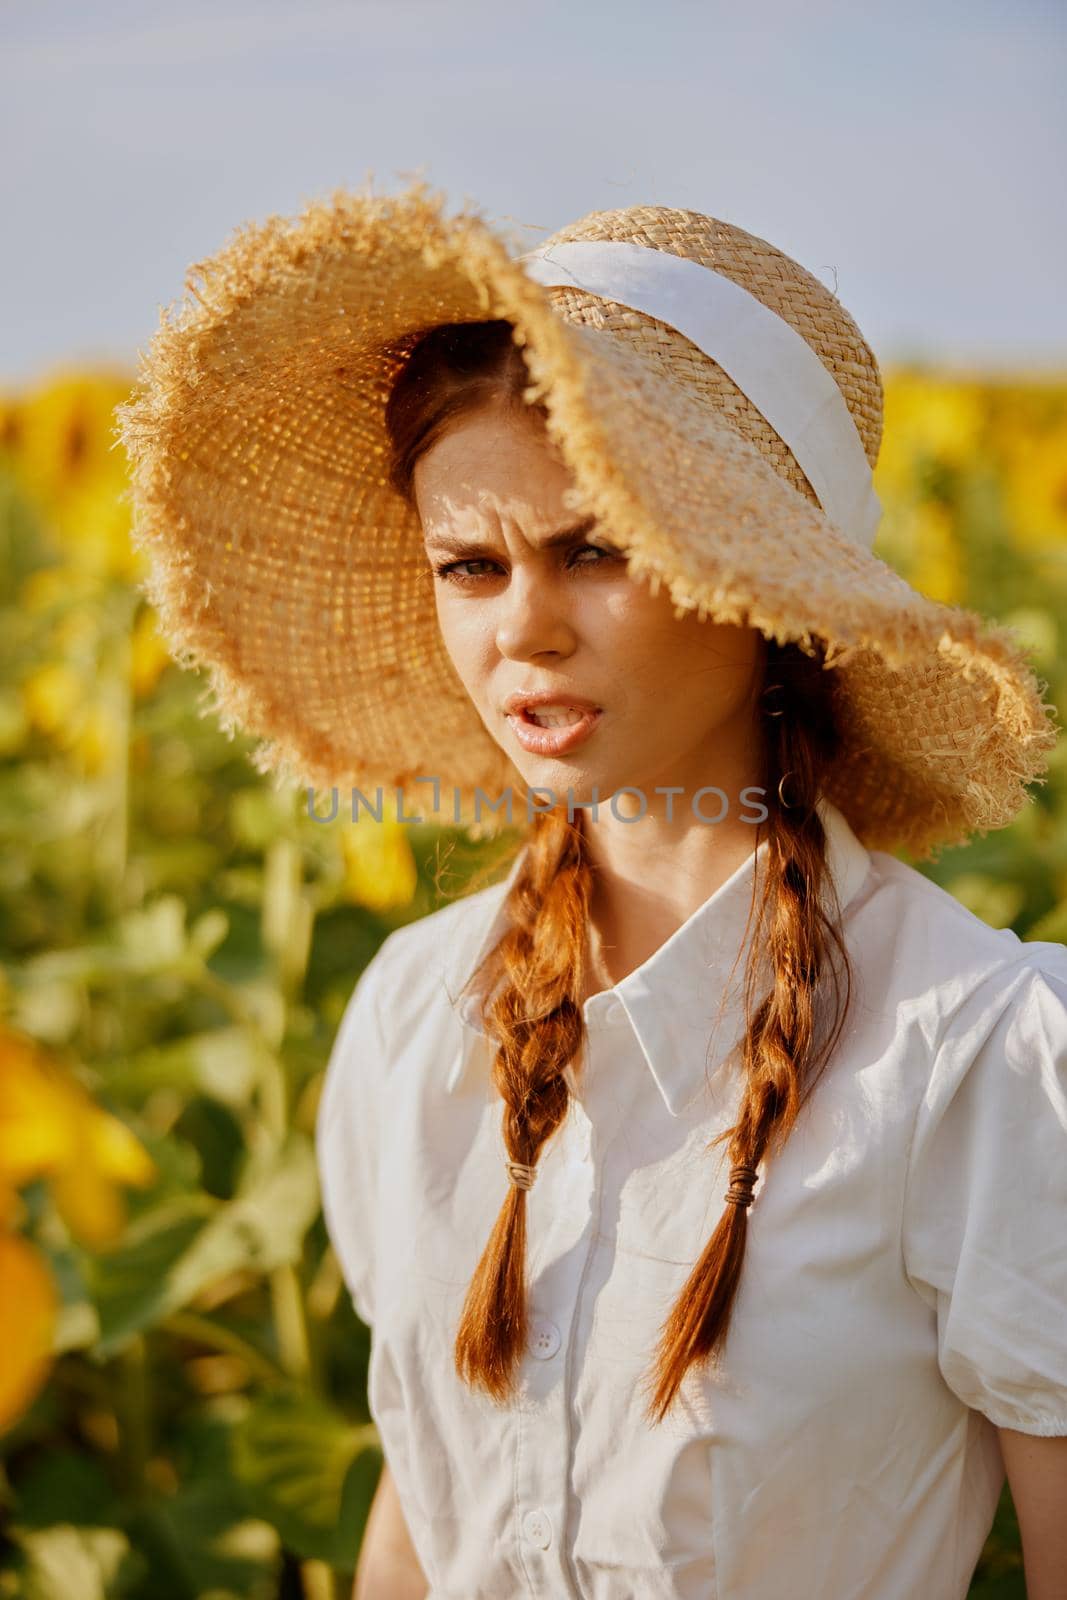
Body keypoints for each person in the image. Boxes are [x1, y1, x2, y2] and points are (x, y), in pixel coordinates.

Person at [117, 183, 1067, 1599]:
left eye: (596, 551)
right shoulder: (411, 1018)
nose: (523, 630)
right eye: (469, 565)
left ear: (761, 588)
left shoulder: (980, 1056)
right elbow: (423, 1519)